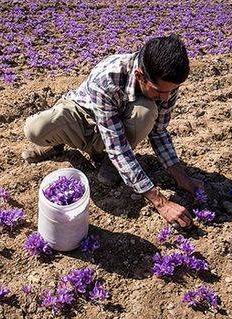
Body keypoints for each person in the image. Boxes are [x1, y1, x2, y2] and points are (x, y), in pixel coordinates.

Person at [21, 34, 204, 228]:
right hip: (84, 115)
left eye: (172, 90)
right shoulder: (108, 77)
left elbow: (159, 132)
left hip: (116, 127)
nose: (167, 98)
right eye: (159, 91)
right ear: (140, 75)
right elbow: (118, 147)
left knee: (146, 112)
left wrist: (182, 177)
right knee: (36, 129)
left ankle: (108, 161)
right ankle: (58, 145)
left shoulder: (165, 84)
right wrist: (161, 202)